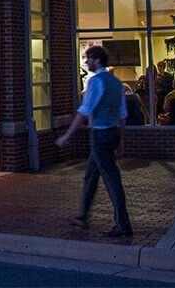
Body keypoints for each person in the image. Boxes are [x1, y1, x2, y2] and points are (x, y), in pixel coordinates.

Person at [57, 45, 131, 237]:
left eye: (89, 58)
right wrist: (120, 141)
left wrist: (67, 135)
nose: (86, 62)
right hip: (113, 131)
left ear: (97, 60)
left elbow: (85, 110)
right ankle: (82, 216)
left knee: (111, 178)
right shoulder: (116, 82)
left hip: (100, 134)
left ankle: (123, 224)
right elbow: (123, 114)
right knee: (91, 175)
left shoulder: (95, 81)